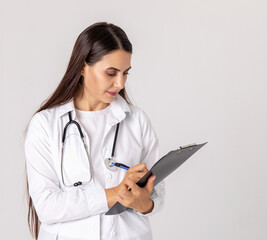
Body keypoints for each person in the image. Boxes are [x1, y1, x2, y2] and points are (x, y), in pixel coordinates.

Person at [24, 22, 165, 240]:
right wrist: (113, 194)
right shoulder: (45, 125)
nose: (120, 83)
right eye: (111, 73)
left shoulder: (137, 120)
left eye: (125, 73)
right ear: (82, 66)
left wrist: (144, 203)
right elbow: (47, 206)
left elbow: (158, 192)